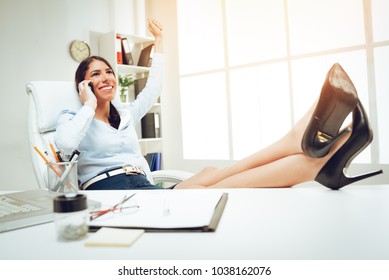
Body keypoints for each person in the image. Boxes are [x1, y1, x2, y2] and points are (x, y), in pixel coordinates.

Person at [55, 19, 382, 191]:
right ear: (83, 84)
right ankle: (308, 155)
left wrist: (161, 44)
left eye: (109, 71)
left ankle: (300, 146)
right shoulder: (73, 117)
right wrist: (86, 105)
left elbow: (152, 88)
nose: (106, 77)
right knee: (208, 188)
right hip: (112, 192)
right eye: (95, 74)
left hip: (143, 185)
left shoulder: (124, 114)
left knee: (211, 174)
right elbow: (66, 144)